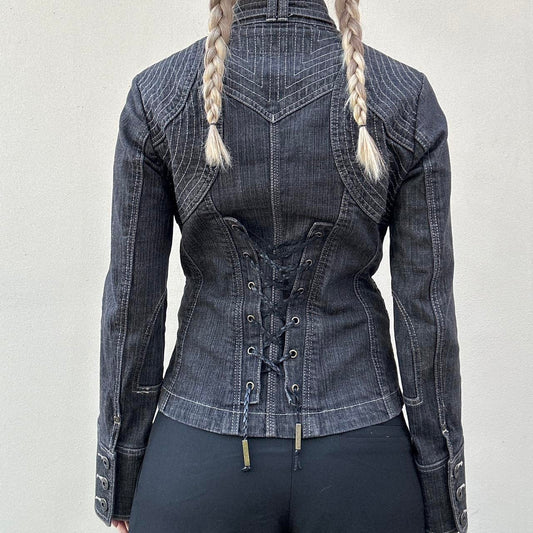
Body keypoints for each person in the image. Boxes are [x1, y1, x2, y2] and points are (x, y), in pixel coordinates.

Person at [94, 0, 468, 532]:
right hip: (363, 462)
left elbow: (132, 307)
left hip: (196, 465)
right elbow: (427, 319)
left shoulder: (158, 96)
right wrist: (441, 494)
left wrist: (123, 476)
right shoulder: (404, 98)